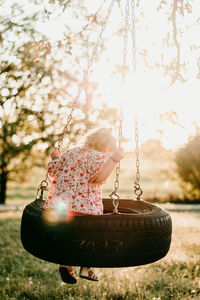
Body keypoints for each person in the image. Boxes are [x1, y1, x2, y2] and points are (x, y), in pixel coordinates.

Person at [44, 127, 123, 284]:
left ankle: (66, 265)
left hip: (61, 208)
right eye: (110, 149)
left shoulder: (71, 152)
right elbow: (98, 178)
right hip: (86, 208)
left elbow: (53, 171)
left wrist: (55, 158)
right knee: (89, 237)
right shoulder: (99, 157)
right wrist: (113, 160)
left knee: (67, 236)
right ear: (106, 146)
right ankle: (86, 268)